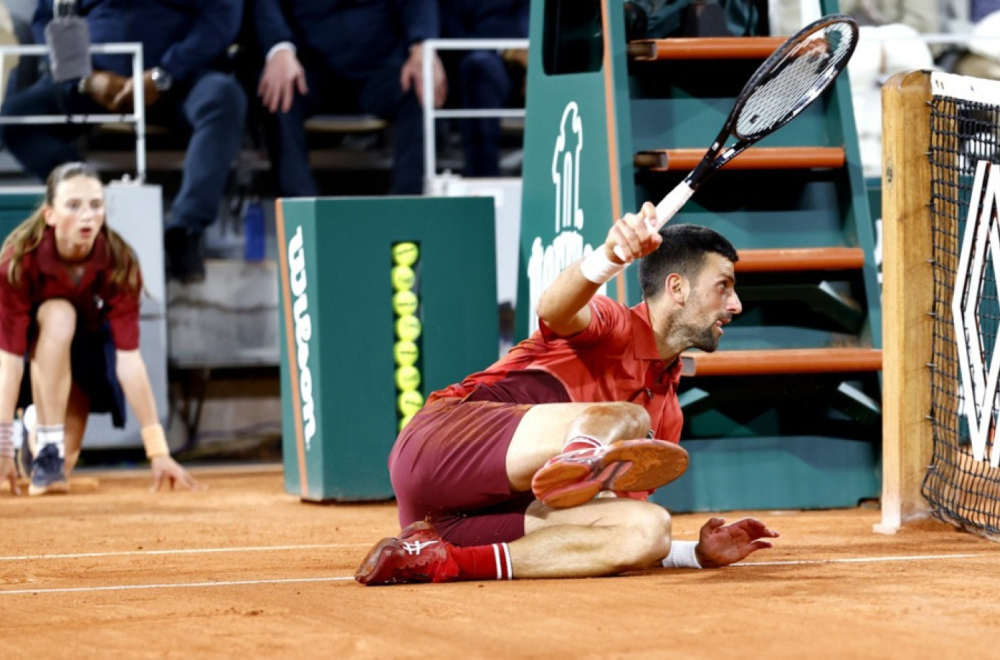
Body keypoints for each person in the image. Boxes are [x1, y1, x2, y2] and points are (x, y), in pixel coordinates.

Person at [355, 202, 778, 585]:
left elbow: (605, 521)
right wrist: (608, 257)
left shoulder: (669, 413)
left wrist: (696, 555)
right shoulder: (612, 326)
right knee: (629, 419)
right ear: (677, 288)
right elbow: (554, 308)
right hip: (440, 448)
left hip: (467, 519)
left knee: (650, 528)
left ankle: (438, 561)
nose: (736, 304)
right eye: (723, 286)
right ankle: (576, 461)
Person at [0, 0, 247, 284]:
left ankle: (184, 232)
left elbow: (222, 15)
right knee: (16, 119)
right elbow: (49, 17)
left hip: (179, 79)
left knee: (223, 98)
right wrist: (85, 78)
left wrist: (165, 73)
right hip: (92, 83)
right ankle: (99, 215)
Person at [0, 162, 201, 496]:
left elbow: (129, 361)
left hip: (86, 355)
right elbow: (8, 362)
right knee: (59, 312)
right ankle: (43, 438)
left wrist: (158, 451)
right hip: (29, 354)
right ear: (50, 215)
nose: (87, 217)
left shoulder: (120, 263)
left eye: (95, 205)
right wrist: (2, 447)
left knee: (59, 469)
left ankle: (38, 431)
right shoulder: (17, 262)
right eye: (73, 206)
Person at [254, 0, 446, 197]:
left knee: (422, 83)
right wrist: (279, 48)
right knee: (277, 86)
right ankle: (298, 206)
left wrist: (421, 45)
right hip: (310, 69)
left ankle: (407, 203)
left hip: (379, 68)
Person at [439, 0, 529, 178]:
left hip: (529, 59)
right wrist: (508, 50)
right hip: (482, 63)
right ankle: (484, 178)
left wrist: (530, 53)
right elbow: (453, 33)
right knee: (478, 67)